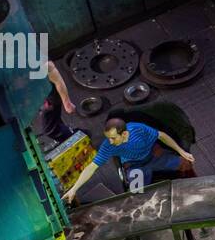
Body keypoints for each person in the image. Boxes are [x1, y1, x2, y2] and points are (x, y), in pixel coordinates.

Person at [62, 116, 195, 204]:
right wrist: (74, 189)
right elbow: (92, 167)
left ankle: (194, 187)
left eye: (113, 138)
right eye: (108, 137)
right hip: (135, 165)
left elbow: (161, 136)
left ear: (124, 134)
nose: (110, 141)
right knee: (138, 196)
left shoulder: (138, 129)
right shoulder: (109, 146)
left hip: (153, 155)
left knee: (185, 164)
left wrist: (181, 151)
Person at [36, 60, 76, 143]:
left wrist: (67, 103)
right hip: (41, 97)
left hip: (50, 100)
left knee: (49, 130)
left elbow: (56, 78)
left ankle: (75, 139)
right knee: (55, 122)